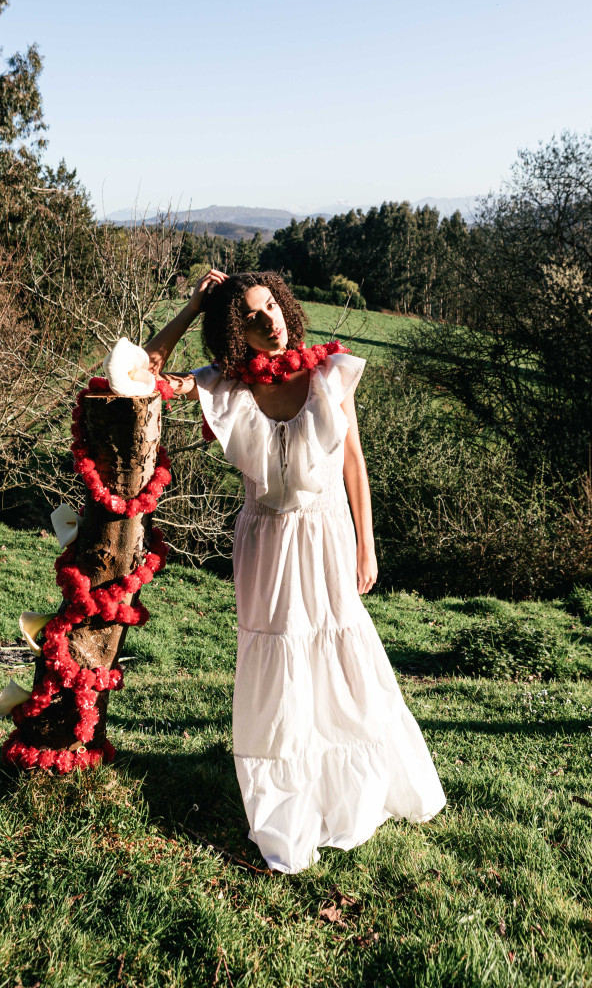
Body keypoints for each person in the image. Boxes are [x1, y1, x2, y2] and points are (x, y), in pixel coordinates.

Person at [140, 268, 446, 874]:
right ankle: (289, 806)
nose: (268, 320)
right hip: (266, 546)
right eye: (250, 316)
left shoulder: (330, 372)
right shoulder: (222, 387)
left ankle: (356, 790)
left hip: (329, 534)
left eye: (272, 306)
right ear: (234, 331)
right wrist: (192, 306)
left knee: (341, 660)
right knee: (280, 665)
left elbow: (353, 461)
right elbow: (142, 376)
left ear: (285, 305)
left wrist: (368, 545)